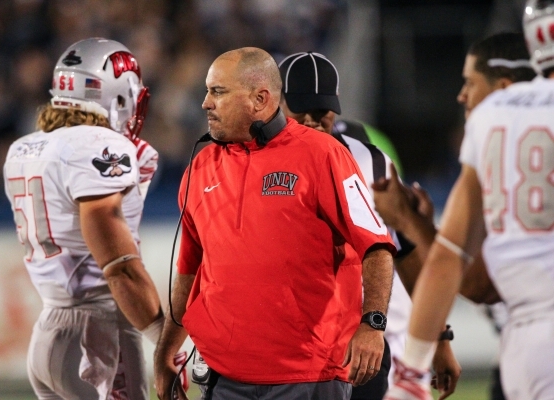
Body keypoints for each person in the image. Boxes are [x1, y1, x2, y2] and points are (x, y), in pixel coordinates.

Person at [154, 47, 396, 400]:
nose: (205, 103)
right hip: (223, 377)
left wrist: (373, 325)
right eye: (207, 91)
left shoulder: (323, 154)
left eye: (218, 91)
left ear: (260, 99)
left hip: (309, 374)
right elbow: (190, 271)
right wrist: (165, 352)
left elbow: (377, 247)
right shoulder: (200, 168)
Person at [382, 1, 554, 398]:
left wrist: (410, 373)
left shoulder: (496, 115)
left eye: (469, 84)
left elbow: (452, 258)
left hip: (527, 344)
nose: (461, 97)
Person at [277, 51, 461, 400]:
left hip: (353, 341)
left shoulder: (370, 160)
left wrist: (439, 339)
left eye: (322, 112)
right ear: (276, 106)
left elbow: (406, 252)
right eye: (301, 112)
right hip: (281, 347)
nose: (313, 122)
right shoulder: (250, 159)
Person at [3, 38, 164, 400]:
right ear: (117, 96)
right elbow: (119, 267)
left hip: (49, 329)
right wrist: (166, 341)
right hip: (96, 334)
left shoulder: (24, 147)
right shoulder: (97, 145)